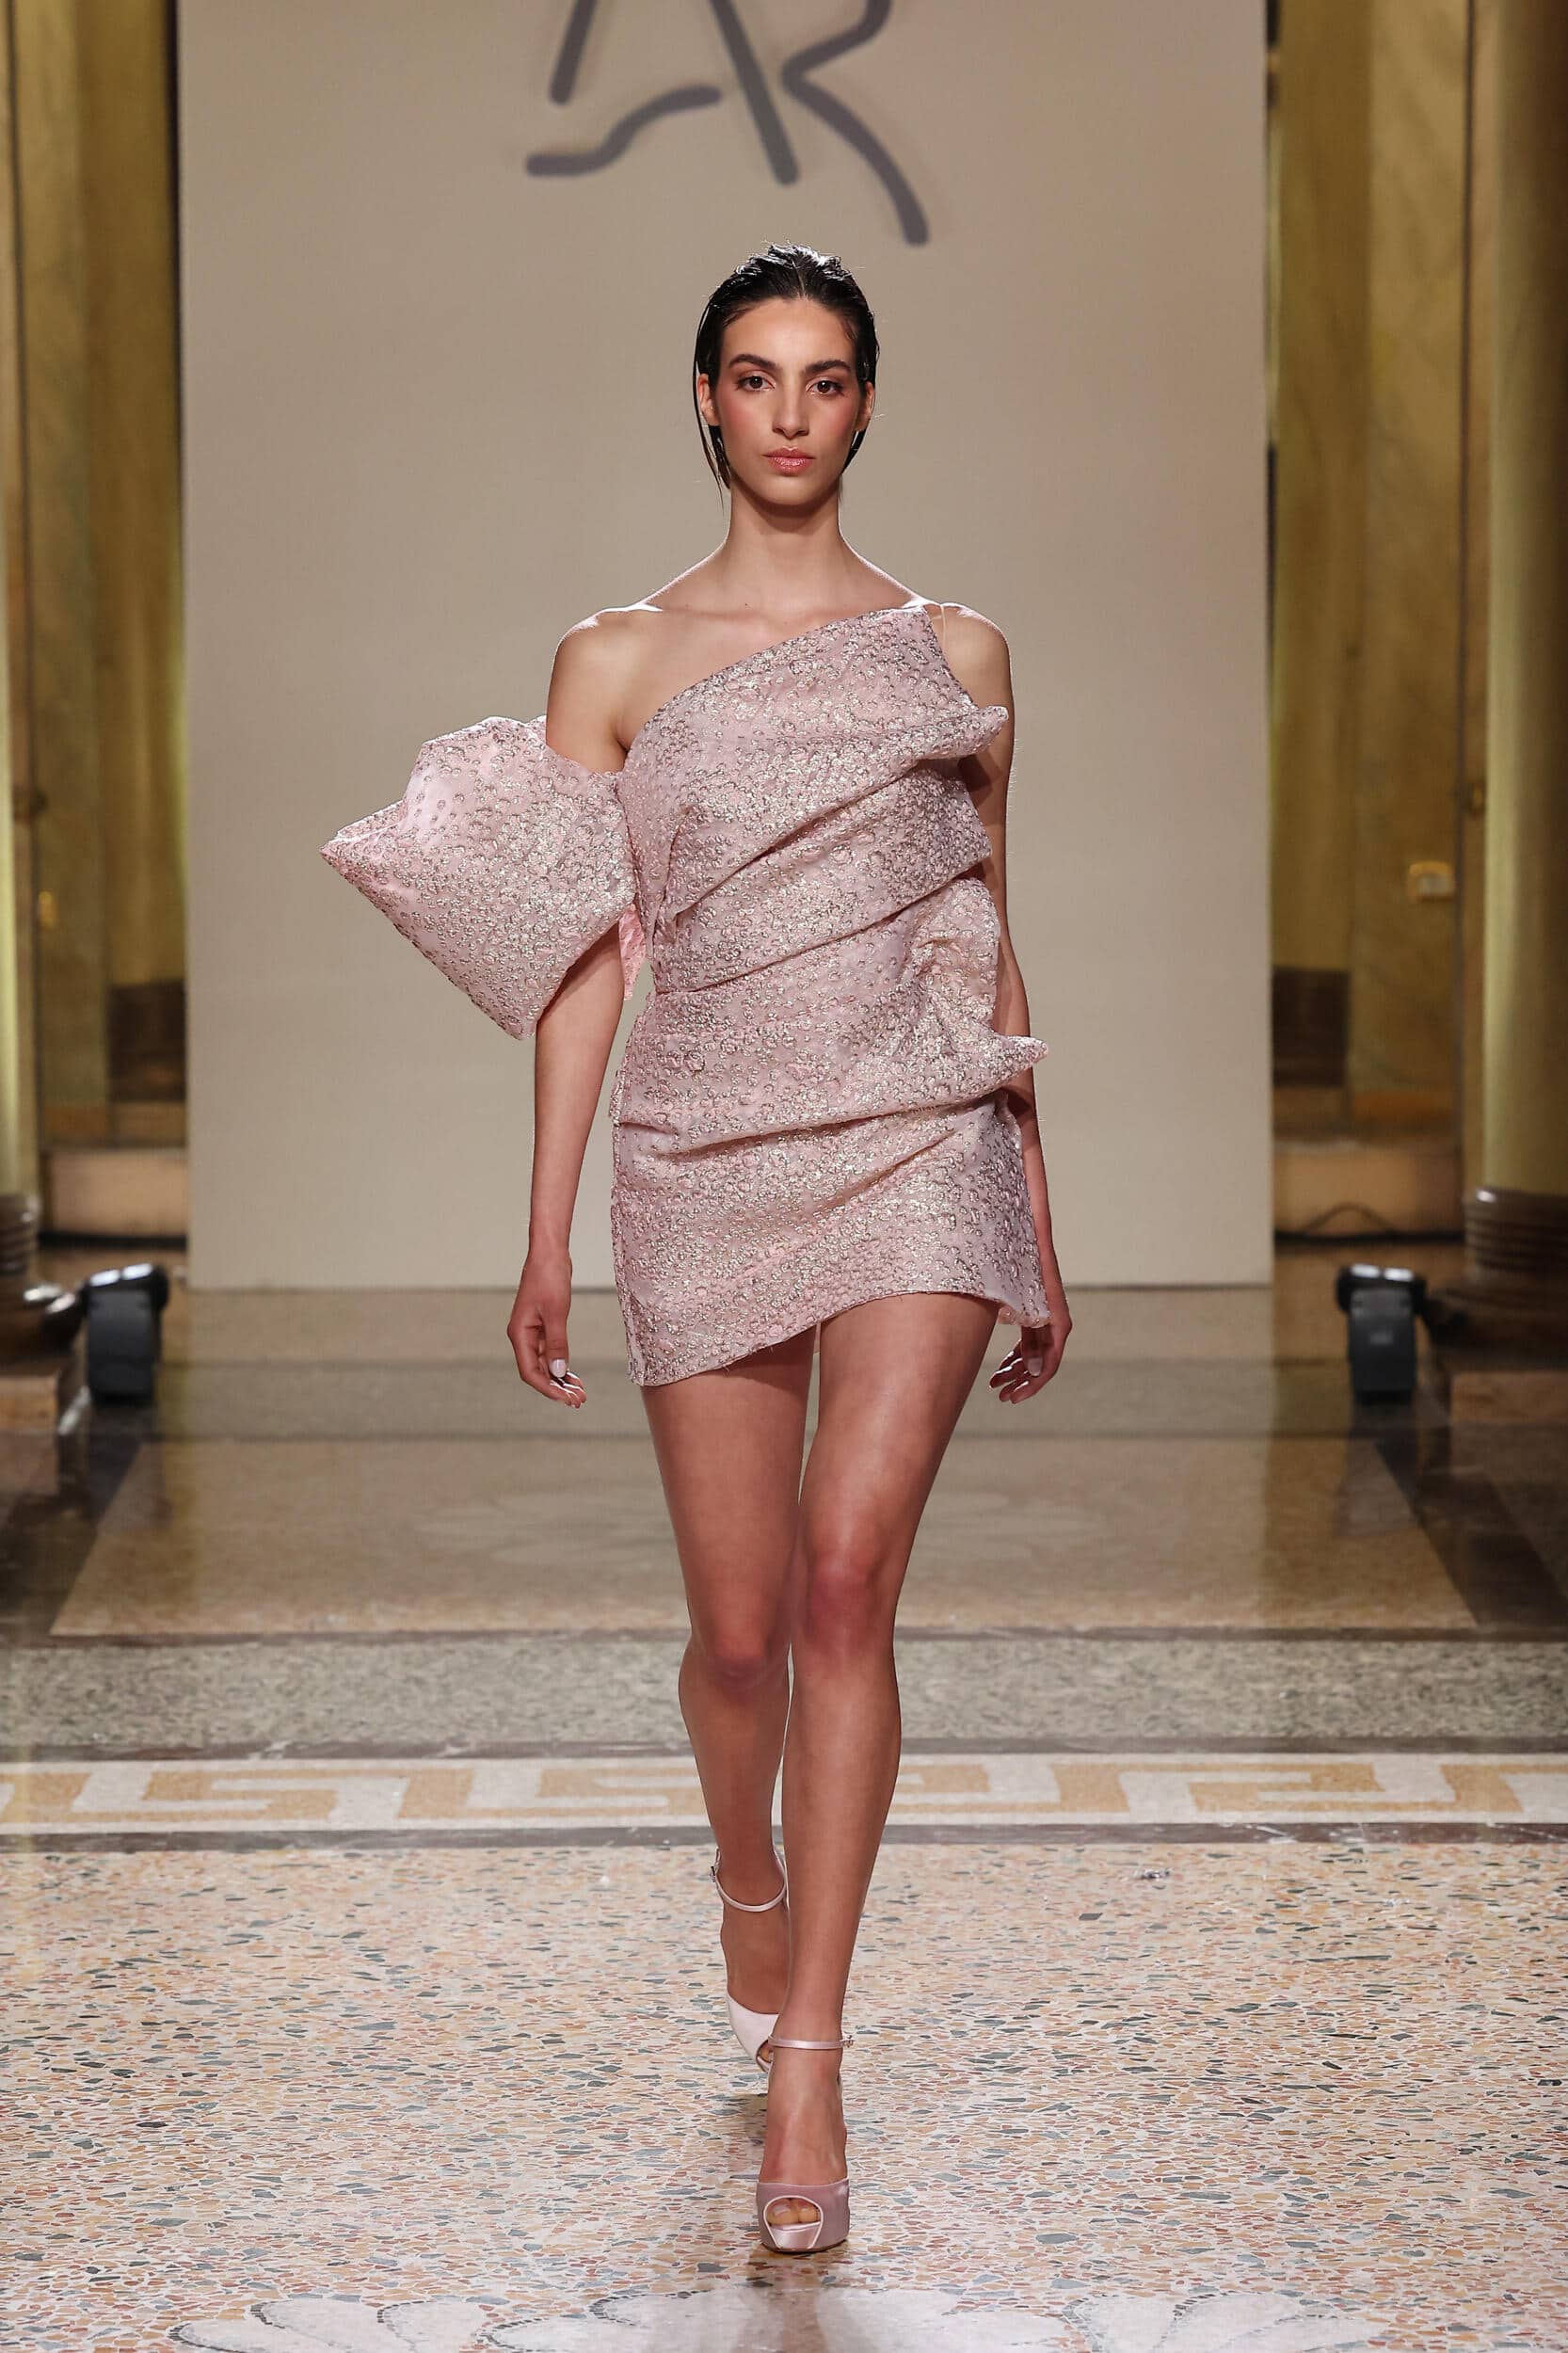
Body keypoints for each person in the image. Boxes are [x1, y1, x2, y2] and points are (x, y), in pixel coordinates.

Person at [322, 239, 1070, 2256]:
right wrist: (544, 1228)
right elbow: (584, 963)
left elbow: (984, 935)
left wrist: (1033, 1208)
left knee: (842, 1590)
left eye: (824, 378)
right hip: (701, 1149)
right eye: (755, 376)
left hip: (918, 1142)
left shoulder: (955, 653)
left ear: (866, 402)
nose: (790, 413)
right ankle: (745, 1866)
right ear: (708, 401)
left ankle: (808, 2057)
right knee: (738, 1638)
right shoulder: (616, 660)